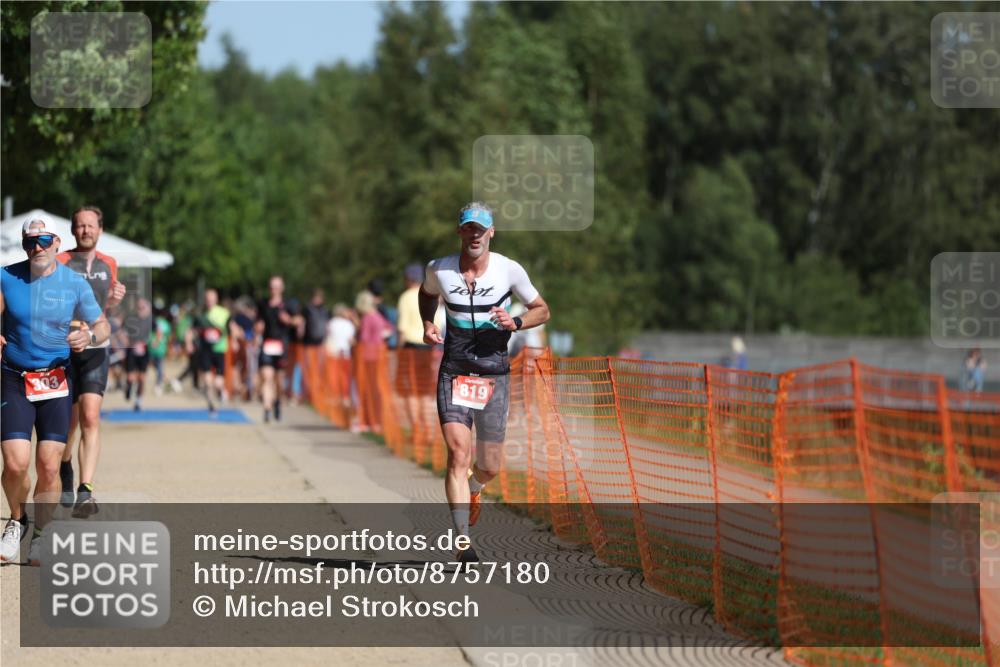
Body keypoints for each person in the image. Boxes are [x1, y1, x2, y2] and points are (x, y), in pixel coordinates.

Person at [419, 202, 549, 562]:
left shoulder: (509, 270)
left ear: (491, 232)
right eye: (468, 228)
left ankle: (475, 489)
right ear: (459, 232)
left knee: (490, 464)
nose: (474, 234)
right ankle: (462, 542)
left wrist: (517, 322)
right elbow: (427, 294)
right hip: (454, 371)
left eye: (481, 229)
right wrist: (428, 324)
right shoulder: (440, 270)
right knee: (459, 453)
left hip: (494, 373)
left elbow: (543, 309)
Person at [1, 217, 110, 564]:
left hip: (56, 381)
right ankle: (17, 520)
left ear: (57, 243)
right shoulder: (6, 276)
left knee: (48, 467)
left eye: (43, 240)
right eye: (29, 241)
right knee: (16, 465)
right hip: (14, 379)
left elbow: (103, 326)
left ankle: (41, 535)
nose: (37, 247)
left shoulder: (74, 283)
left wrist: (90, 336)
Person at [54, 205, 126, 515]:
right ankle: (65, 463)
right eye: (80, 226)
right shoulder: (60, 261)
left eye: (91, 226)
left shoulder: (110, 263)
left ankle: (86, 491)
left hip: (97, 347)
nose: (86, 230)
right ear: (73, 230)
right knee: (68, 425)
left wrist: (113, 300)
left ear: (100, 230)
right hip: (66, 348)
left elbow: (102, 311)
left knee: (91, 418)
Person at [256, 276, 293, 423]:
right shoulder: (263, 304)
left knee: (278, 379)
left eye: (276, 287)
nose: (274, 290)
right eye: (271, 287)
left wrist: (288, 320)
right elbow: (258, 321)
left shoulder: (288, 305)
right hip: (267, 344)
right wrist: (258, 327)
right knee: (266, 376)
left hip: (281, 345)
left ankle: (277, 401)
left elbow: (298, 320)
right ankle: (267, 408)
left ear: (282, 288)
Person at [194, 288, 229, 413]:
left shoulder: (224, 313)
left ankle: (220, 392)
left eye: (211, 299)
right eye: (207, 299)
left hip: (219, 350)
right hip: (205, 351)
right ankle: (211, 406)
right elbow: (193, 329)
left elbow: (231, 327)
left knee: (218, 383)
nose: (209, 301)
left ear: (216, 300)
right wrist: (189, 342)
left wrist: (235, 338)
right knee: (208, 382)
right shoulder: (200, 315)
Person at [123, 297, 154, 412]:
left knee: (142, 378)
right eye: (139, 307)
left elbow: (158, 331)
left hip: (145, 351)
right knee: (130, 377)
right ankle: (129, 388)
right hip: (132, 350)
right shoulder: (130, 319)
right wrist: (127, 343)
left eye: (143, 307)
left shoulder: (151, 319)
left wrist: (155, 342)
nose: (140, 309)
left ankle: (138, 401)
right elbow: (123, 332)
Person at [301, 289, 330, 403]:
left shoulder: (324, 310)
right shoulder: (308, 309)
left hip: (319, 343)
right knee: (308, 369)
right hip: (309, 343)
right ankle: (308, 392)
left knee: (318, 369)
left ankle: (316, 392)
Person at [149, 306, 171, 396]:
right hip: (161, 348)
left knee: (157, 367)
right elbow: (167, 336)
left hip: (152, 347)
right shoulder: (166, 323)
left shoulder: (154, 321)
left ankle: (161, 383)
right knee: (159, 367)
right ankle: (161, 383)